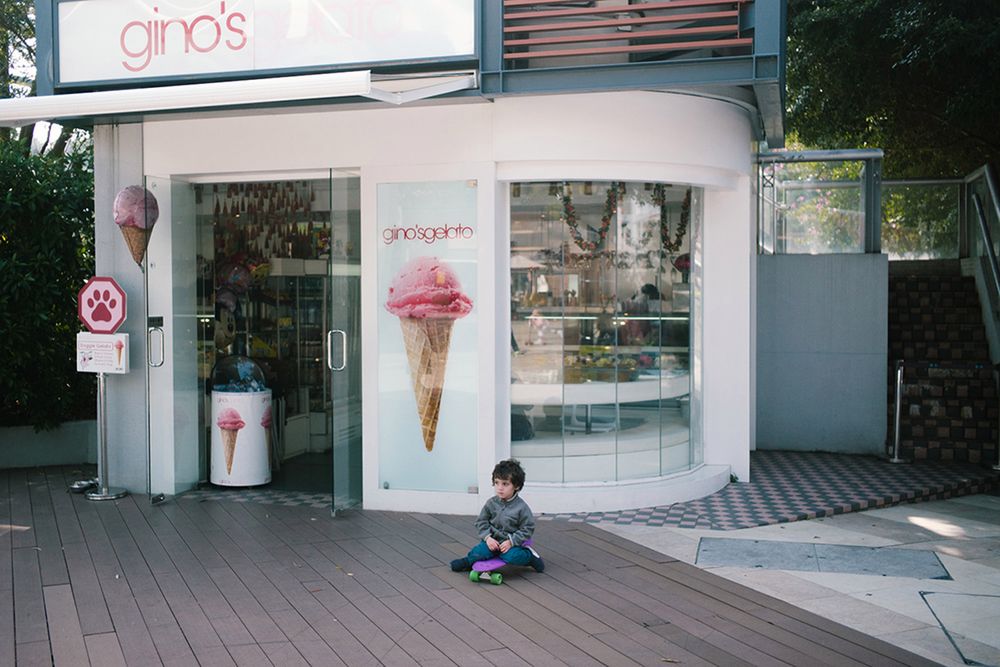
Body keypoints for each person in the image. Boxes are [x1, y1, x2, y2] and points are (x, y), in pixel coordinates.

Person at [450, 459, 545, 573]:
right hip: (492, 541)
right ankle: (468, 561)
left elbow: (528, 528)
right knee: (479, 552)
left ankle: (530, 557)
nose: (500, 488)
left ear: (517, 486)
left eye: (505, 484)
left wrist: (511, 541)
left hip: (512, 544)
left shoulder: (521, 507)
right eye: (496, 483)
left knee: (511, 556)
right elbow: (481, 522)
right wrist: (487, 538)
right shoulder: (491, 503)